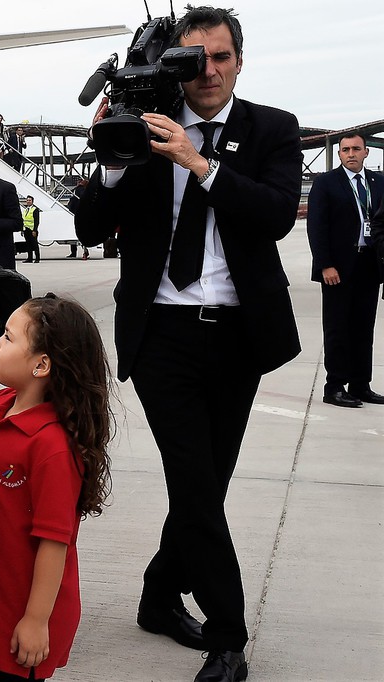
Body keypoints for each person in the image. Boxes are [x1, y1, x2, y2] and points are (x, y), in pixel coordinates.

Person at [75, 8, 302, 682]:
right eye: (192, 58)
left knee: (206, 486)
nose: (208, 70)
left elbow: (272, 215)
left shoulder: (273, 129)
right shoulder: (140, 129)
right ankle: (228, 638)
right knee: (196, 487)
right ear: (172, 62)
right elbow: (89, 226)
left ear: (239, 60)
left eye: (221, 56)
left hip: (239, 336)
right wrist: (114, 156)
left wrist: (198, 164)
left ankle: (156, 595)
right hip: (163, 332)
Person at [0, 294, 114, 681]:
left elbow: (54, 542)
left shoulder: (50, 446)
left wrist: (36, 620)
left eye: (8, 337)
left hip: (28, 614)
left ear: (41, 364)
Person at [307, 133, 384, 407]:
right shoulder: (326, 183)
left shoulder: (379, 183)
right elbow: (317, 227)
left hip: (369, 266)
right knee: (338, 328)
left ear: (366, 153)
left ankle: (361, 385)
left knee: (364, 328)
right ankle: (335, 387)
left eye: (356, 149)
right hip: (337, 268)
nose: (350, 153)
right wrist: (325, 264)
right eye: (345, 150)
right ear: (339, 154)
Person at [65, 179, 90, 260]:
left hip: (76, 212)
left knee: (74, 233)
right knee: (79, 234)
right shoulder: (86, 189)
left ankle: (74, 252)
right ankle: (84, 251)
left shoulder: (79, 189)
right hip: (81, 212)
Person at [22, 194, 41, 263]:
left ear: (32, 201)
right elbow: (24, 220)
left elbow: (36, 221)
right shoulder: (26, 209)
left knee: (34, 244)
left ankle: (37, 258)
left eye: (29, 200)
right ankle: (29, 258)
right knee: (28, 245)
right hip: (26, 229)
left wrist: (34, 230)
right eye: (27, 200)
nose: (28, 201)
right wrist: (22, 229)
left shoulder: (35, 209)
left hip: (32, 229)